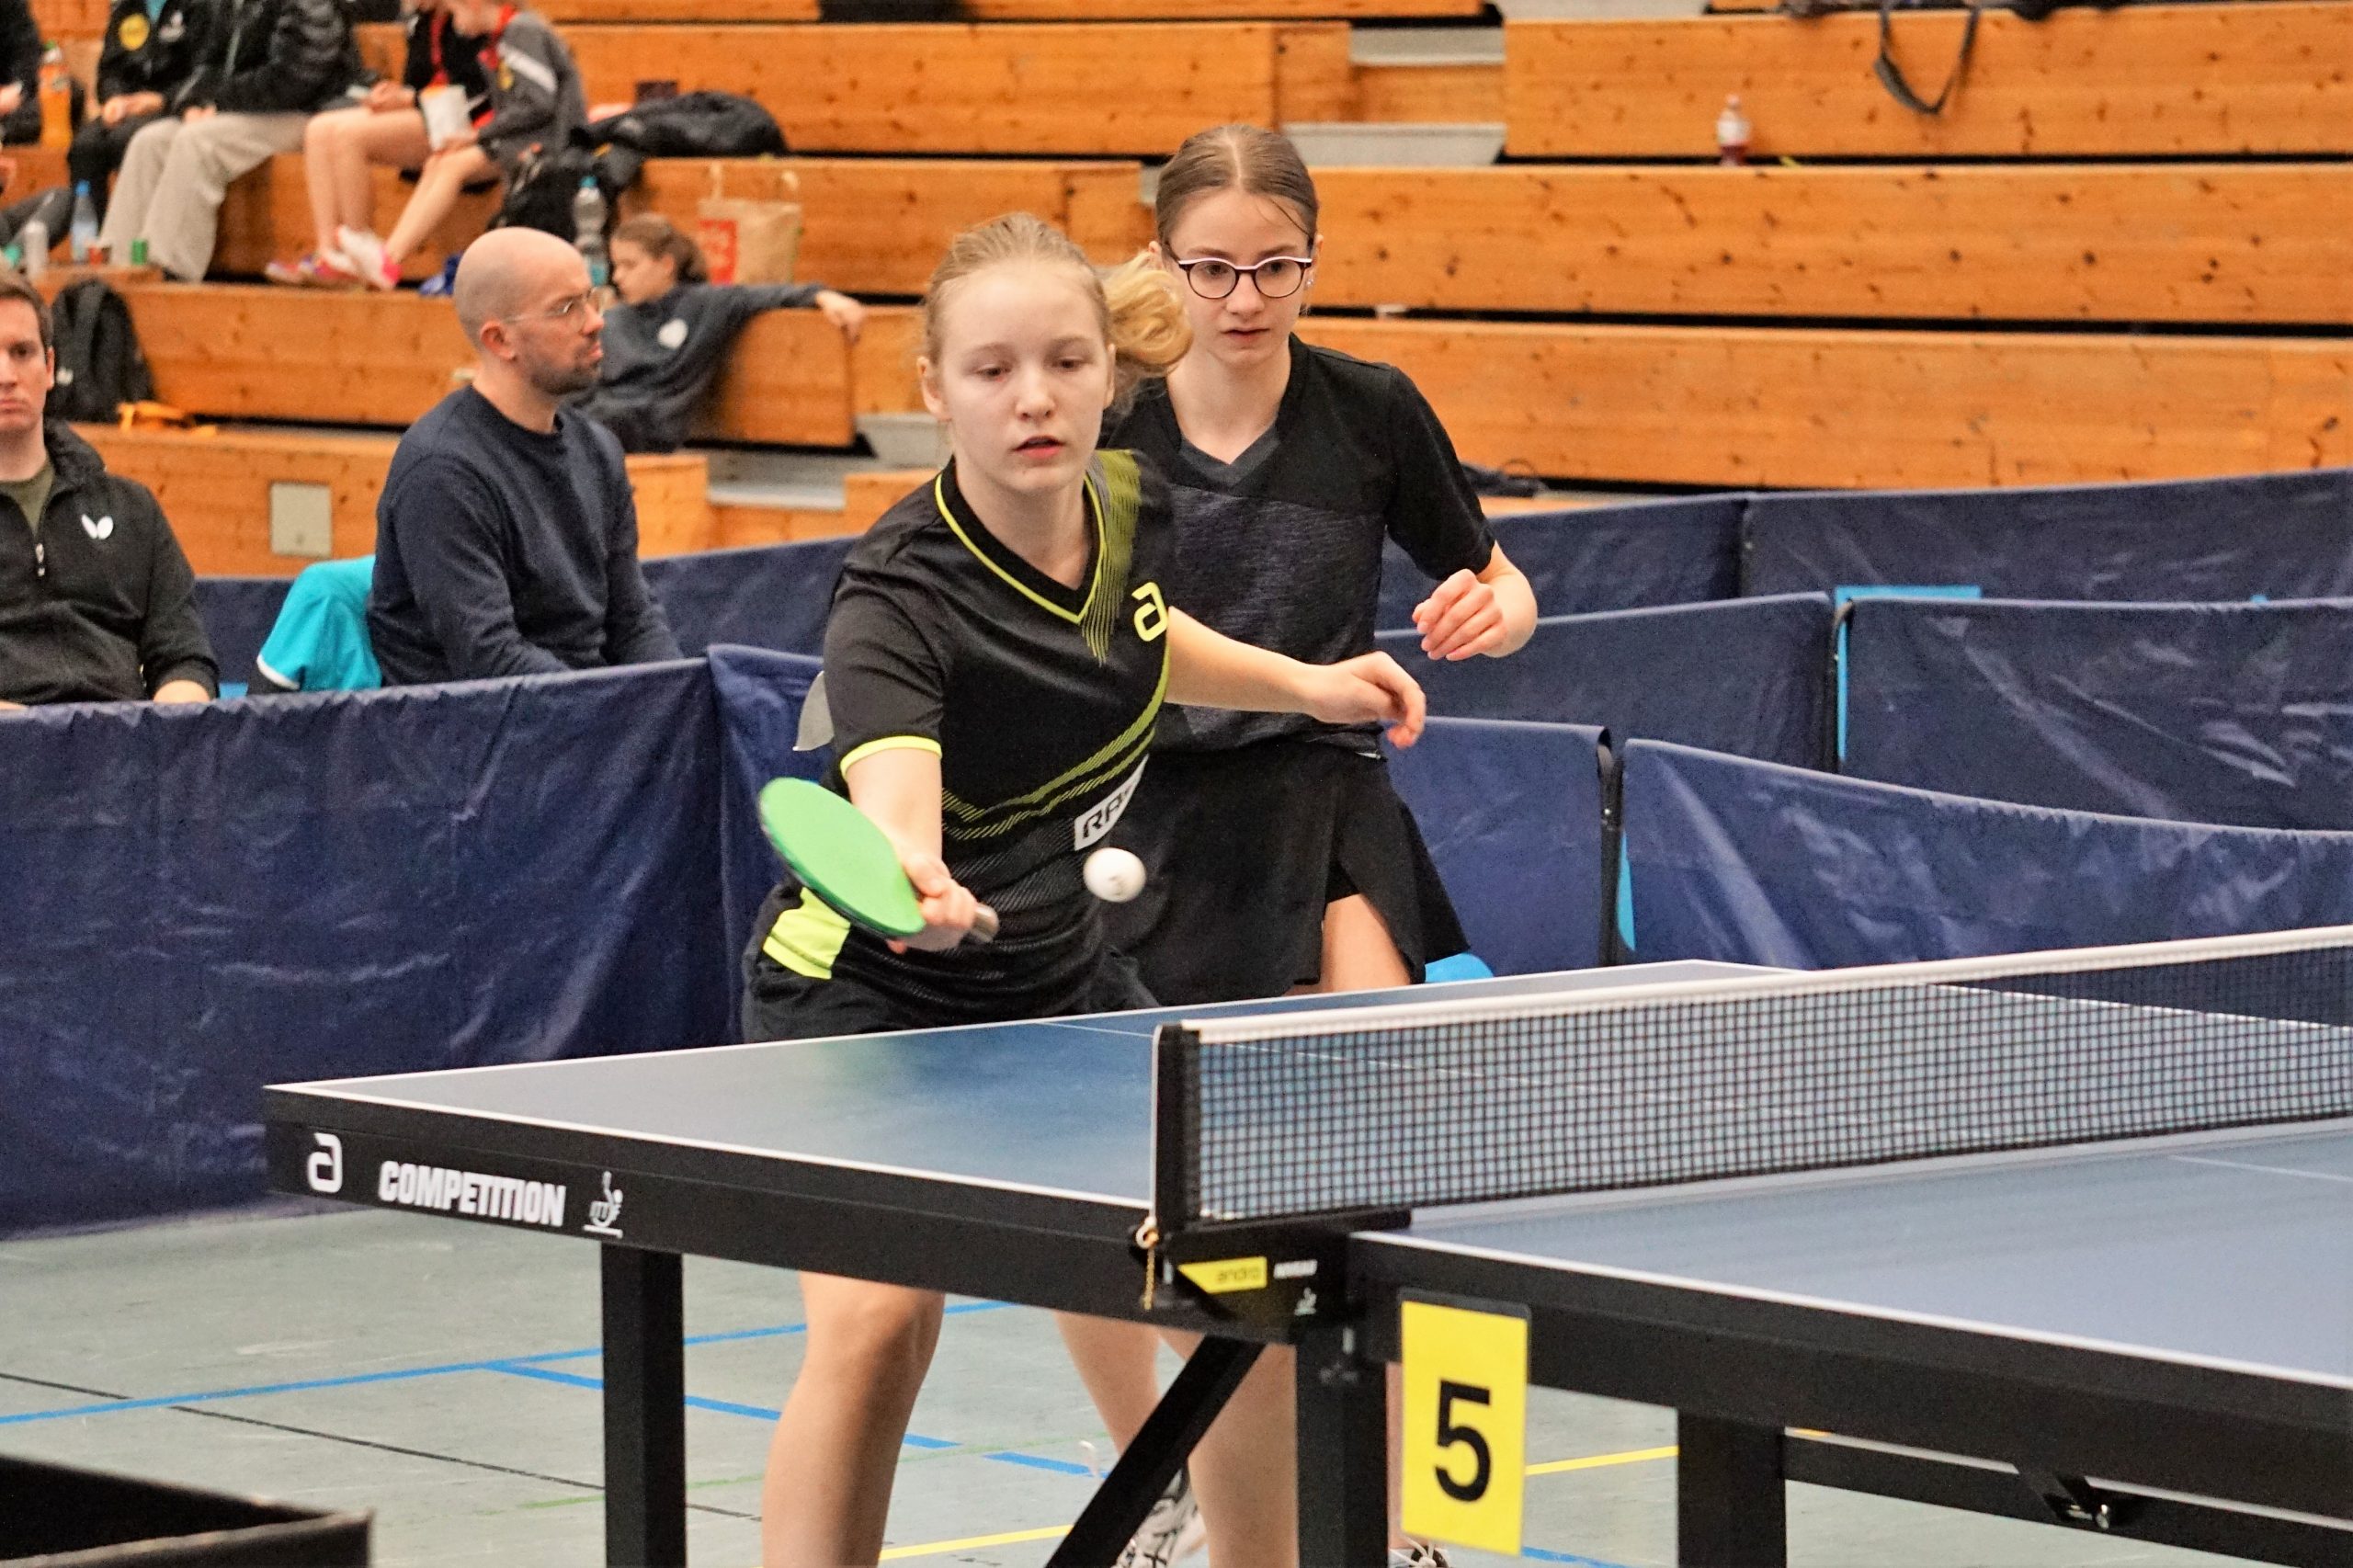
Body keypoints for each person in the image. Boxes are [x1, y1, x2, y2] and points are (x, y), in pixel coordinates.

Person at [743, 210, 1426, 1568]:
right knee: (879, 1324)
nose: (1034, 396)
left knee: (1253, 1294)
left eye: (1064, 361)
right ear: (934, 390)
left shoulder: (1126, 502)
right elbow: (891, 774)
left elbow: (1146, 642)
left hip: (1055, 972)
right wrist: (912, 865)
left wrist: (1306, 685)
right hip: (867, 995)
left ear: (1110, 375)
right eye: (992, 370)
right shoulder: (895, 594)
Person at [1065, 122, 1542, 1568]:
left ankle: (1418, 1521)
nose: (1245, 297)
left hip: (1326, 796)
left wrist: (1498, 611)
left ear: (1313, 262)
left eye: (1277, 267)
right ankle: (1161, 1472)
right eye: (1212, 267)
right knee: (1105, 1183)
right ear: (1164, 263)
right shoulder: (1106, 418)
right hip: (1141, 812)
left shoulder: (1370, 410)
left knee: (1381, 1154)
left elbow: (1498, 576)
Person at [368, 227, 679, 684]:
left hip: (583, 702)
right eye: (566, 309)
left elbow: (633, 619)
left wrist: (675, 695)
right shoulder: (443, 472)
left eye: (591, 299)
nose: (595, 322)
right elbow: (490, 659)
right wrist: (614, 711)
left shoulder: (598, 449)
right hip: (482, 719)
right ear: (500, 341)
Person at [0, 272, 215, 710]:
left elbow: (184, 658)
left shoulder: (133, 510)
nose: (6, 375)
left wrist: (169, 722)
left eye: (22, 352)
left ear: (49, 368)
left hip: (123, 738)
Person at [97, 0, 364, 281]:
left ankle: (170, 271)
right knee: (151, 141)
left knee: (198, 141)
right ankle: (117, 269)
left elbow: (298, 76)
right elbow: (207, 64)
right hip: (242, 109)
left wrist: (220, 103)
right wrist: (191, 102)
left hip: (310, 111)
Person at [332, 0, 583, 292]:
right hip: (518, 136)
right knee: (438, 160)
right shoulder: (497, 39)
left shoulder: (521, 31)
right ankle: (388, 257)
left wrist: (478, 135)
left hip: (549, 140)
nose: (455, 22)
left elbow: (538, 103)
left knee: (454, 165)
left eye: (456, 13)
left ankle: (391, 259)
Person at [568, 213, 864, 452]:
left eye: (629, 265)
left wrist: (822, 295)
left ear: (666, 265)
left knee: (597, 423)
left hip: (647, 428)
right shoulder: (615, 318)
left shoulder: (706, 305)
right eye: (616, 265)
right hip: (599, 419)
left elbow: (764, 295)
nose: (618, 276)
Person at [266, 0, 490, 287]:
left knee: (349, 135)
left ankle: (359, 246)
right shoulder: (423, 21)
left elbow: (475, 91)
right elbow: (417, 81)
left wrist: (408, 98)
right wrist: (391, 94)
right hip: (430, 109)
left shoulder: (468, 19)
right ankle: (329, 253)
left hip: (460, 119)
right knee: (318, 130)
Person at [71, 0, 208, 225]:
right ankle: (91, 239)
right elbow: (109, 70)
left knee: (124, 139)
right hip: (128, 107)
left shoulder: (199, 6)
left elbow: (205, 72)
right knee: (85, 145)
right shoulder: (126, 7)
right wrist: (114, 98)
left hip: (177, 105)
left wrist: (162, 100)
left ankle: (136, 235)